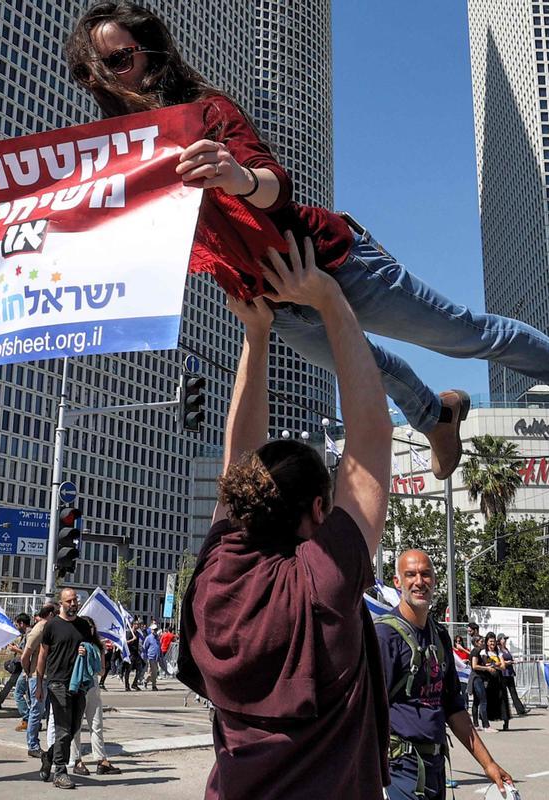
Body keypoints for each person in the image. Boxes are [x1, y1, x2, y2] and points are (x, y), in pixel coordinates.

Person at [0, 0, 549, 482]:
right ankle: (439, 418)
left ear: (151, 53)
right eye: (89, 71)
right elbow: (61, 226)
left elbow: (276, 184)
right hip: (273, 301)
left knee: (468, 335)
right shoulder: (115, 156)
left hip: (328, 262)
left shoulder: (204, 111)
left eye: (119, 60)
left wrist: (236, 176)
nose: (106, 79)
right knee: (369, 367)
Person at [176, 232, 393, 797]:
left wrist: (257, 334)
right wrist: (328, 298)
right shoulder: (319, 583)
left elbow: (240, 456)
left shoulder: (217, 573)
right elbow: (369, 437)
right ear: (317, 510)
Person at [375, 549, 513, 799]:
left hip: (435, 767)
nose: (419, 581)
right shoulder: (385, 636)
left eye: (426, 574)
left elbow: (453, 708)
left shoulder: (438, 635)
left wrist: (488, 764)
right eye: (410, 575)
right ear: (397, 582)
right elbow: (367, 712)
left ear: (435, 580)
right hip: (399, 771)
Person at [36, 587, 95, 789]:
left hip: (78, 683)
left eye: (75, 601)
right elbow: (42, 656)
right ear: (61, 603)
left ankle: (49, 756)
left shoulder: (82, 626)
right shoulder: (52, 626)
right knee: (62, 728)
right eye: (69, 601)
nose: (73, 604)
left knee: (73, 728)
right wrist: (39, 684)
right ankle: (60, 772)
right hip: (56, 682)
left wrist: (86, 650)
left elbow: (92, 650)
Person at [68, 616, 120, 776]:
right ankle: (76, 760)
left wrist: (93, 659)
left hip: (93, 687)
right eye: (86, 626)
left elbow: (102, 671)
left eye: (91, 626)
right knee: (75, 725)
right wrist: (79, 653)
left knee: (96, 724)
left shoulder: (98, 646)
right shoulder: (75, 644)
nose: (89, 629)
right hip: (78, 687)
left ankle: (101, 760)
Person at [20, 603, 56, 757]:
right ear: (50, 615)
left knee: (49, 712)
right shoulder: (39, 629)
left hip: (50, 676)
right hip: (37, 677)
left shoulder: (50, 628)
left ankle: (52, 743)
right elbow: (25, 655)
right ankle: (33, 745)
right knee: (37, 710)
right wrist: (30, 672)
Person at [0, 612, 30, 723]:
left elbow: (29, 652)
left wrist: (16, 650)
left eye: (17, 625)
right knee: (14, 686)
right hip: (22, 666)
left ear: (22, 623)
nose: (17, 628)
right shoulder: (25, 635)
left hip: (26, 667)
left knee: (18, 693)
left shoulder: (30, 634)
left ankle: (28, 718)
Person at [496, 634, 526, 716]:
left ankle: (520, 709)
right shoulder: (498, 650)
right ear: (499, 640)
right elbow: (497, 660)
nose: (505, 641)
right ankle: (500, 711)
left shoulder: (506, 649)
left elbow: (510, 658)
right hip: (503, 673)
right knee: (502, 693)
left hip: (509, 672)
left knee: (513, 692)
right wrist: (506, 662)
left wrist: (514, 661)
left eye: (505, 639)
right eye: (503, 639)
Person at [140, 622, 161, 690]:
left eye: (156, 629)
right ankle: (154, 686)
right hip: (150, 657)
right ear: (151, 630)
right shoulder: (148, 638)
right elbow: (144, 647)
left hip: (156, 657)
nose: (155, 631)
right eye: (154, 629)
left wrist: (160, 655)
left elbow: (158, 646)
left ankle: (145, 681)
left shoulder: (157, 637)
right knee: (154, 672)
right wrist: (144, 657)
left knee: (152, 672)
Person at [122, 624, 140, 691]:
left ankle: (134, 684)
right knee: (128, 670)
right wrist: (132, 639)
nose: (137, 625)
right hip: (130, 654)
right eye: (136, 624)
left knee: (140, 669)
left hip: (136, 654)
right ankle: (127, 685)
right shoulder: (129, 633)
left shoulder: (137, 633)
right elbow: (125, 643)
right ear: (132, 625)